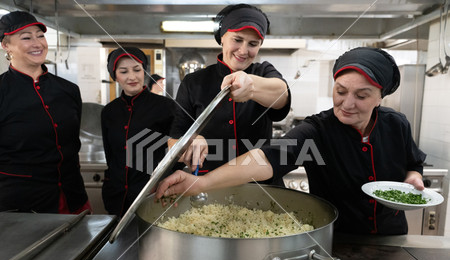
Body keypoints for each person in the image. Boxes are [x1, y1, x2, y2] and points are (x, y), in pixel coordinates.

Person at [156, 47, 427, 236]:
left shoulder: (396, 124)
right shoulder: (317, 129)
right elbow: (266, 158)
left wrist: (413, 177)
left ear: (381, 97)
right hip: (337, 238)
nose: (347, 104)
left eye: (362, 96)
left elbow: (414, 164)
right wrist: (203, 182)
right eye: (341, 91)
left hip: (393, 235)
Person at [168, 3, 291, 183]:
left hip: (261, 187)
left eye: (253, 44)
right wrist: (190, 141)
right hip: (208, 188)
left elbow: (282, 94)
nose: (243, 50)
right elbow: (174, 140)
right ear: (222, 37)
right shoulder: (193, 82)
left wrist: (251, 86)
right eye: (237, 39)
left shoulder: (263, 72)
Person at [0, 11, 90, 214]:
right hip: (20, 207)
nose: (37, 43)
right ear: (6, 45)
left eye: (40, 35)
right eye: (26, 37)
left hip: (73, 197)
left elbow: (72, 145)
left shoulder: (69, 90)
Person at [101, 47, 177, 216]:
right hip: (117, 196)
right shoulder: (109, 111)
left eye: (137, 69)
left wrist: (166, 181)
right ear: (115, 76)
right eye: (123, 71)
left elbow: (177, 153)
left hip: (152, 194)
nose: (132, 77)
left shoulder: (166, 107)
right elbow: (110, 156)